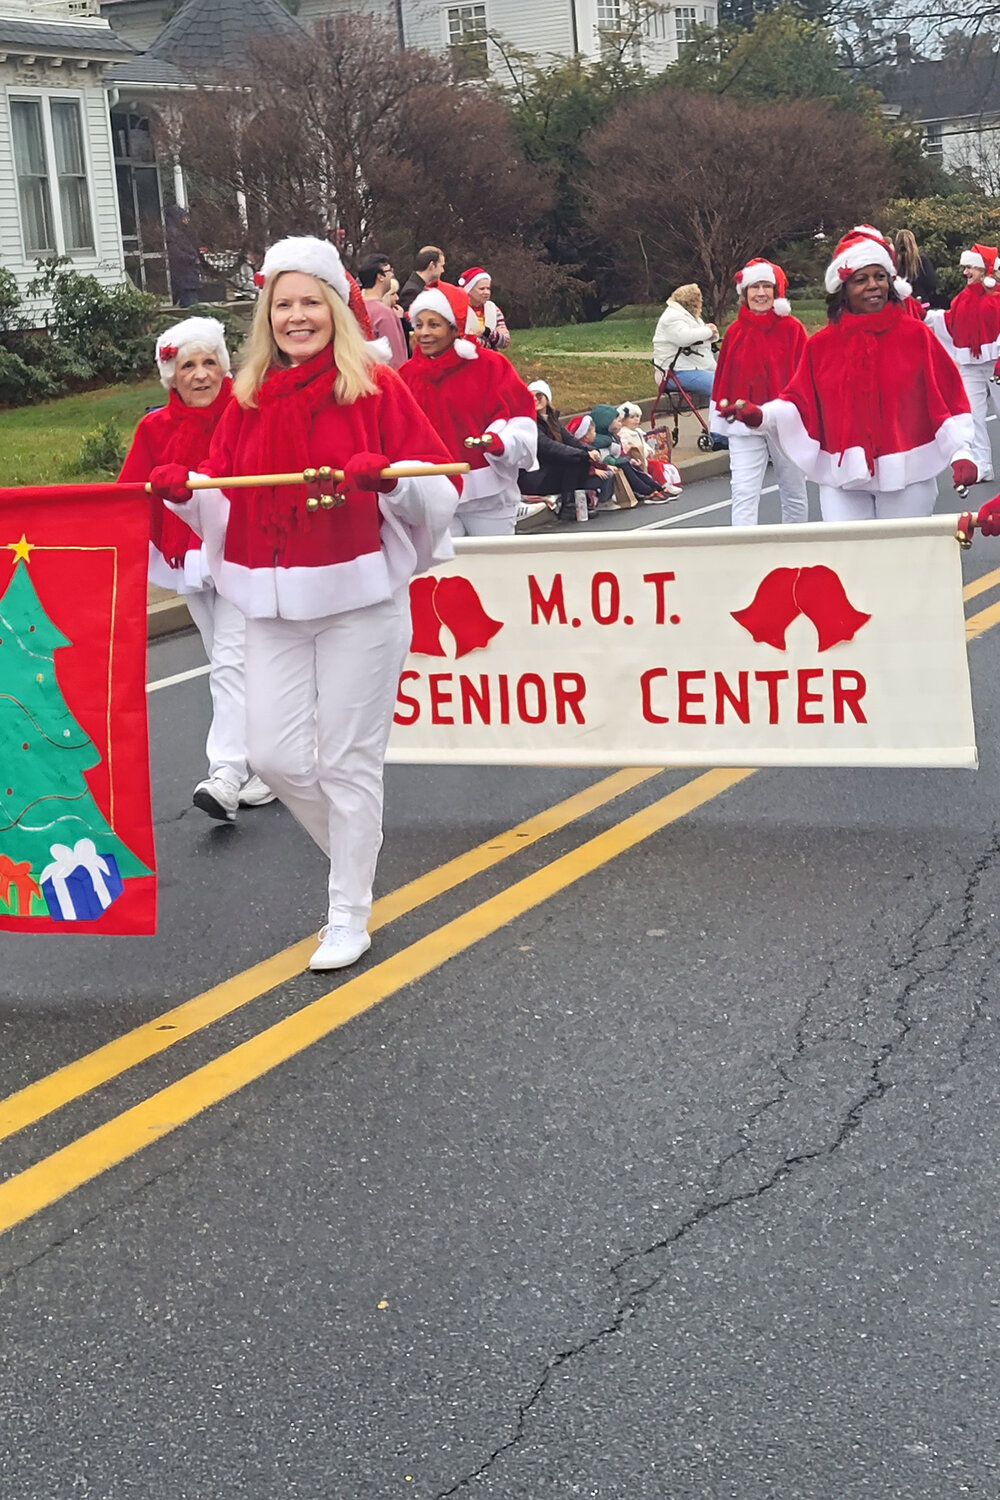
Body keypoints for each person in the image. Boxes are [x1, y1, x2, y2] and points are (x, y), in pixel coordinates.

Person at [149, 236, 460, 972]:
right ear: (267, 316)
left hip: (361, 601)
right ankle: (360, 852)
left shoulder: (380, 388)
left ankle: (347, 908)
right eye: (283, 304)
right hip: (270, 603)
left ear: (334, 309)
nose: (296, 316)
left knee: (350, 763)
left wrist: (391, 481)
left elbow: (437, 491)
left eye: (309, 302)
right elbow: (224, 503)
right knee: (276, 758)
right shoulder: (247, 400)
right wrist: (186, 496)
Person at [118, 316, 273, 821]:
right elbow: (125, 498)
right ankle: (269, 765)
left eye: (210, 363)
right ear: (172, 375)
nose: (201, 375)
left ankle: (226, 773)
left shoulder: (248, 412)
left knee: (230, 662)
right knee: (228, 662)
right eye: (188, 365)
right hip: (188, 559)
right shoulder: (154, 427)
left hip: (244, 552)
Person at [719, 226, 976, 521]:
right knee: (849, 560)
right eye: (861, 279)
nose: (873, 285)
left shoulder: (916, 336)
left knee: (900, 562)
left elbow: (948, 397)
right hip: (843, 478)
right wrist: (762, 416)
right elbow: (798, 400)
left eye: (880, 276)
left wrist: (961, 452)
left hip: (907, 474)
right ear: (843, 289)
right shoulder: (822, 346)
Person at [398, 279, 536, 536]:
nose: (424, 333)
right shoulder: (405, 376)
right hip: (435, 493)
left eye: (434, 325)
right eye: (418, 325)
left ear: (455, 329)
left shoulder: (491, 366)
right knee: (448, 574)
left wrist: (501, 443)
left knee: (493, 567)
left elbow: (522, 417)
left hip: (489, 495)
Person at [709, 258, 809, 527]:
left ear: (776, 293)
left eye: (767, 286)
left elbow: (806, 377)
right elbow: (724, 378)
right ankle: (745, 552)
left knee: (793, 490)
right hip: (743, 424)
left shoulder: (793, 329)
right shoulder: (735, 332)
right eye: (755, 287)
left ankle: (796, 548)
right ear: (745, 293)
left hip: (784, 423)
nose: (761, 293)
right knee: (743, 491)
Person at [926, 244, 1000, 484]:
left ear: (983, 270)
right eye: (965, 268)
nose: (966, 272)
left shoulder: (997, 298)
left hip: (995, 364)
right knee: (974, 417)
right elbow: (948, 323)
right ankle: (982, 464)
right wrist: (924, 316)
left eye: (970, 268)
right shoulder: (961, 300)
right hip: (970, 366)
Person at [517, 381, 615, 517]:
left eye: (539, 396)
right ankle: (568, 506)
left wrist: (591, 451)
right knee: (574, 461)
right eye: (530, 396)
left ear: (547, 398)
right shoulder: (528, 423)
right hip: (533, 475)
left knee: (580, 459)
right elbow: (548, 447)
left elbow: (571, 440)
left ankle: (575, 501)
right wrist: (583, 454)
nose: (535, 399)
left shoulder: (552, 420)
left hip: (548, 471)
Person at [590, 404, 675, 503]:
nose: (620, 423)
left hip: (615, 463)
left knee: (635, 468)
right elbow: (604, 458)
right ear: (605, 423)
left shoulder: (613, 437)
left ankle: (656, 487)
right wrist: (618, 461)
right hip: (606, 466)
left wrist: (629, 459)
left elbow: (619, 453)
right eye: (617, 421)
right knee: (625, 465)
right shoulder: (600, 441)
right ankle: (647, 491)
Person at [652, 284, 719, 401]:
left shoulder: (689, 316)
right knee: (719, 387)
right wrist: (708, 331)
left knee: (732, 383)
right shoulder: (672, 317)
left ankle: (728, 417)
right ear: (692, 301)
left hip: (690, 368)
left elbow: (702, 334)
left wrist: (711, 332)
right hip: (673, 373)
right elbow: (684, 338)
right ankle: (719, 418)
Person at [616, 402, 682, 497]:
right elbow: (625, 447)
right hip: (636, 460)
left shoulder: (638, 432)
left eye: (637, 416)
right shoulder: (624, 434)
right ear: (623, 420)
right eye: (632, 417)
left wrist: (649, 450)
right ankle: (658, 486)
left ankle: (663, 484)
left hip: (644, 459)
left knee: (657, 465)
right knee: (653, 466)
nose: (636, 419)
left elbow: (643, 444)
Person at [358, 252, 409, 369]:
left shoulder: (353, 309)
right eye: (389, 271)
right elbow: (396, 360)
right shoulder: (384, 314)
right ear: (379, 276)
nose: (391, 275)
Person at [457, 267, 511, 350]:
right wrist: (491, 345)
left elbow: (505, 342)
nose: (486, 292)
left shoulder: (493, 309)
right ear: (469, 290)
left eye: (488, 288)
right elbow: (461, 342)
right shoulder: (458, 310)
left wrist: (486, 331)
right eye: (482, 289)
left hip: (490, 360)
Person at [165, 204, 204, 310]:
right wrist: (192, 259)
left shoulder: (182, 232)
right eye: (184, 217)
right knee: (191, 307)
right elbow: (175, 253)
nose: (187, 220)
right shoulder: (174, 233)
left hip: (188, 278)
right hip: (185, 279)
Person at [894, 228, 938, 308]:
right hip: (921, 304)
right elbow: (932, 283)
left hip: (900, 306)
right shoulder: (921, 260)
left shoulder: (893, 262)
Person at [399, 245, 446, 315]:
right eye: (441, 266)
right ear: (432, 265)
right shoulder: (411, 292)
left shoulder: (421, 287)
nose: (443, 270)